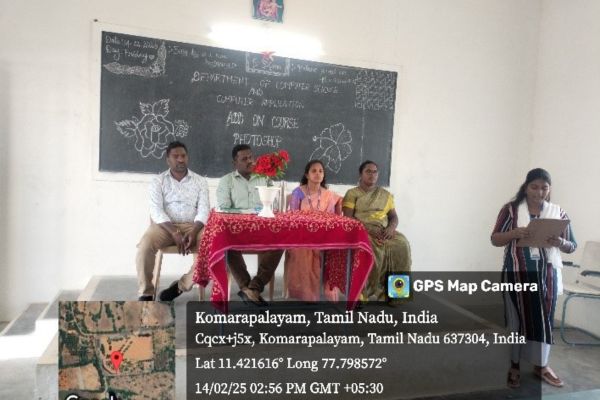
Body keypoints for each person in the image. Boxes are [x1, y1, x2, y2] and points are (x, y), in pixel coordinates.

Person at [491, 168, 576, 389]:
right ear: (526, 187)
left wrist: (560, 242)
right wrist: (514, 233)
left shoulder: (557, 212)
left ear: (549, 189)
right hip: (517, 273)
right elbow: (495, 239)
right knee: (516, 319)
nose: (539, 192)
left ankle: (542, 365)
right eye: (534, 187)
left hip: (547, 276)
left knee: (543, 319)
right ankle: (514, 365)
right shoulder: (510, 210)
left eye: (544, 188)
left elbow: (572, 246)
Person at [135, 141, 209, 301]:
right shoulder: (158, 181)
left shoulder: (200, 181)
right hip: (165, 227)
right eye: (176, 156)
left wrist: (194, 231)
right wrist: (174, 232)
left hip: (193, 227)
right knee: (144, 246)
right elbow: (156, 210)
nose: (180, 159)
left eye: (183, 156)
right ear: (168, 160)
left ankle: (182, 285)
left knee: (213, 246)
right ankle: (146, 292)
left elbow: (204, 211)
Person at [216, 144, 283, 306]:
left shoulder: (264, 178)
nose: (249, 161)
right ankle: (249, 288)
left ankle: (254, 287)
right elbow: (224, 208)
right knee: (225, 242)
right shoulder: (226, 181)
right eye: (244, 159)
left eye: (251, 157)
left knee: (281, 240)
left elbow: (272, 206)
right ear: (235, 162)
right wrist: (248, 212)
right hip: (237, 231)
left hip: (261, 230)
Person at [342, 160, 412, 303]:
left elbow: (393, 217)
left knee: (402, 245)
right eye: (368, 171)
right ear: (360, 174)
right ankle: (362, 293)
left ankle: (396, 293)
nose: (372, 175)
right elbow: (348, 218)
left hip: (384, 231)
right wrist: (368, 229)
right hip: (361, 230)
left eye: (375, 172)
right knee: (369, 246)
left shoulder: (385, 195)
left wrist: (390, 229)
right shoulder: (352, 193)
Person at [284, 160, 342, 301]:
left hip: (324, 234)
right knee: (303, 250)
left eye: (321, 171)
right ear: (307, 174)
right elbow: (293, 217)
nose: (318, 174)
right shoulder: (298, 192)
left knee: (335, 249)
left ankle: (326, 291)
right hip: (302, 234)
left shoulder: (329, 195)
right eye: (314, 171)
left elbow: (334, 218)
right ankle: (307, 294)